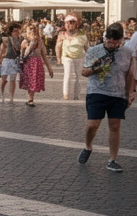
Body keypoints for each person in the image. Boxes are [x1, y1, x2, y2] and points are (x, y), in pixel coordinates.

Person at [79, 23, 134, 172]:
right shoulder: (93, 51)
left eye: (117, 42)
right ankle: (88, 146)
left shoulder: (127, 52)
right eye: (110, 41)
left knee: (115, 125)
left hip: (117, 93)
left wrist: (131, 93)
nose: (113, 45)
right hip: (96, 92)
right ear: (105, 38)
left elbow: (129, 75)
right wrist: (97, 68)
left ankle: (113, 160)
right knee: (92, 125)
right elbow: (84, 72)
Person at [19, 23, 53, 106]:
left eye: (32, 30)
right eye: (30, 31)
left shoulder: (40, 41)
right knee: (30, 80)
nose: (31, 32)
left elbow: (44, 55)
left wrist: (49, 68)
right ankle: (30, 98)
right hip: (29, 62)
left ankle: (31, 98)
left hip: (35, 62)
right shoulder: (25, 41)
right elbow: (22, 54)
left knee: (33, 80)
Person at [56, 15, 89, 101]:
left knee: (79, 77)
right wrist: (58, 58)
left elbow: (86, 46)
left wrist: (88, 57)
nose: (69, 24)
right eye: (67, 23)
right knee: (67, 75)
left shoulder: (82, 34)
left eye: (71, 22)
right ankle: (66, 94)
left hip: (80, 57)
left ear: (76, 24)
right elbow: (58, 47)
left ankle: (77, 95)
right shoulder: (62, 34)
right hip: (67, 57)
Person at [0, 22, 23, 103]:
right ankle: (2, 93)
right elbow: (1, 51)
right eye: (15, 31)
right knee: (4, 79)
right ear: (11, 31)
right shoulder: (6, 39)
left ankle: (11, 97)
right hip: (6, 61)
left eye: (18, 31)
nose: (17, 32)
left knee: (12, 79)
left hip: (15, 61)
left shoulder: (21, 40)